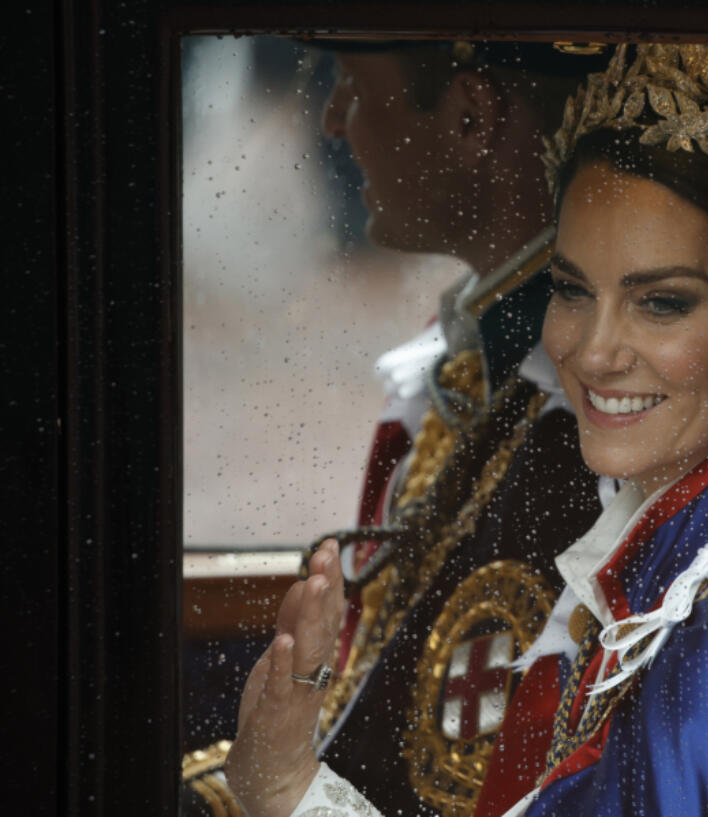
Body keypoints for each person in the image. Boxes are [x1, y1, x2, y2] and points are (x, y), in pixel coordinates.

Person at [227, 43, 708, 817]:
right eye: (571, 290)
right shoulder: (679, 544)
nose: (592, 352)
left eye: (661, 302)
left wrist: (289, 794)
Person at [182, 41, 610, 817]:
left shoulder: (578, 437)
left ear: (471, 118)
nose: (335, 120)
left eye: (350, 82)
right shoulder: (472, 362)